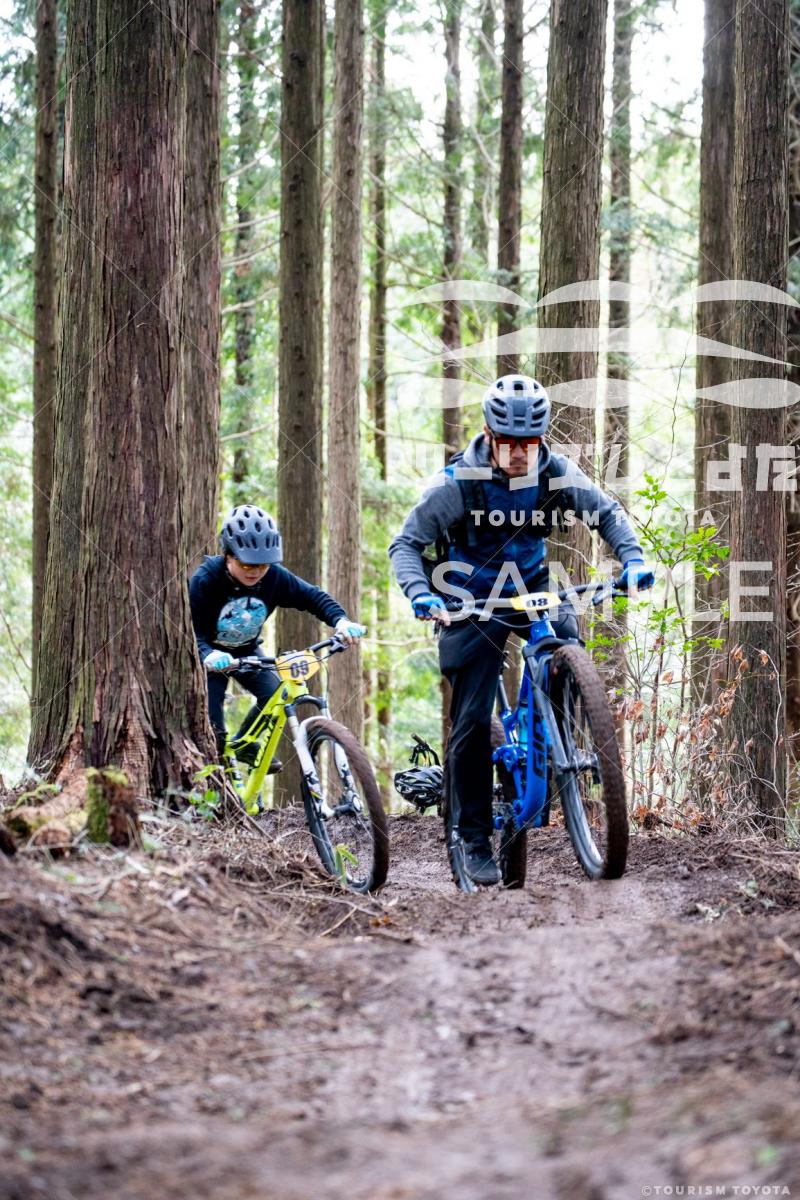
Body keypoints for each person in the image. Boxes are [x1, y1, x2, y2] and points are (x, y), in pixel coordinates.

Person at [388, 374, 654, 889]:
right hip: (471, 600)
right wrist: (422, 593)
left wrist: (633, 557)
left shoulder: (555, 471)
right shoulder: (457, 482)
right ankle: (472, 836)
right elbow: (406, 544)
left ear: (540, 438)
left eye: (527, 443)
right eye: (508, 442)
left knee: (568, 652)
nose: (518, 453)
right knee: (471, 719)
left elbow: (606, 512)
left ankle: (557, 748)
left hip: (532, 587)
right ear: (489, 434)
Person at [190, 503, 365, 765]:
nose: (255, 572)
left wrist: (340, 620)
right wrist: (207, 654)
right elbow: (190, 631)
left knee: (276, 694)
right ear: (228, 556)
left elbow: (312, 597)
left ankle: (244, 743)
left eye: (263, 565)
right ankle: (218, 773)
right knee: (213, 732)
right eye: (247, 565)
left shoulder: (274, 577)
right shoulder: (206, 580)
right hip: (209, 657)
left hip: (246, 650)